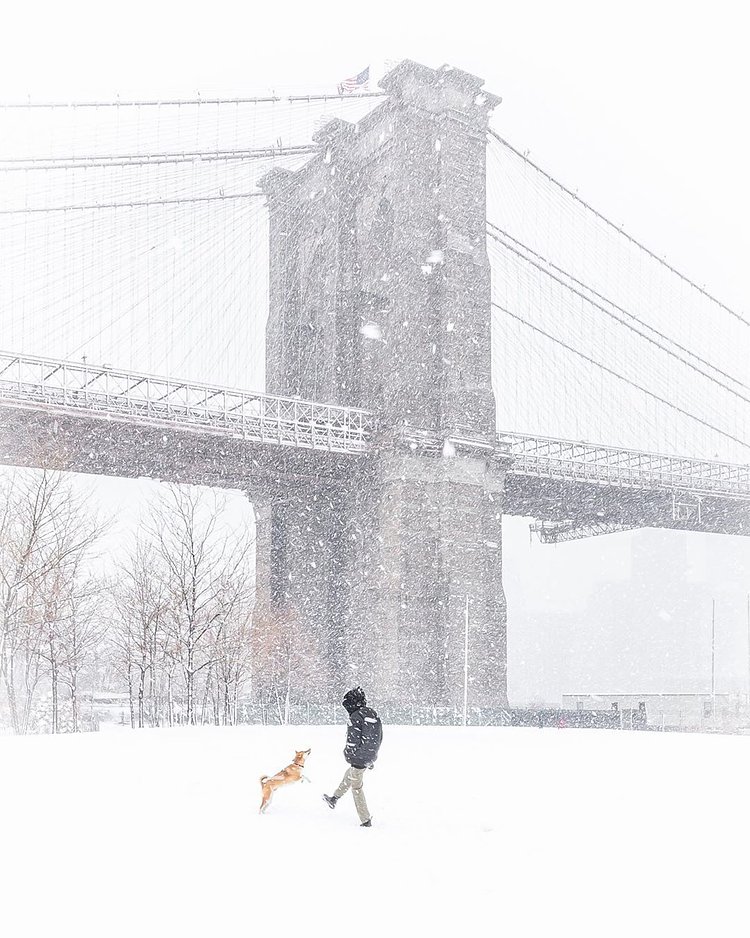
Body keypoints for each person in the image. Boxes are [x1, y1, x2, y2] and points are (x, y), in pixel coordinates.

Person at [323, 686, 382, 827]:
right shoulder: (372, 714)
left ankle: (365, 820)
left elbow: (352, 741)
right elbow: (378, 737)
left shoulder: (356, 717)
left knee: (356, 787)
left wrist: (350, 756)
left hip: (359, 757)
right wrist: (372, 755)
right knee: (350, 775)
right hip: (369, 755)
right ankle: (334, 798)